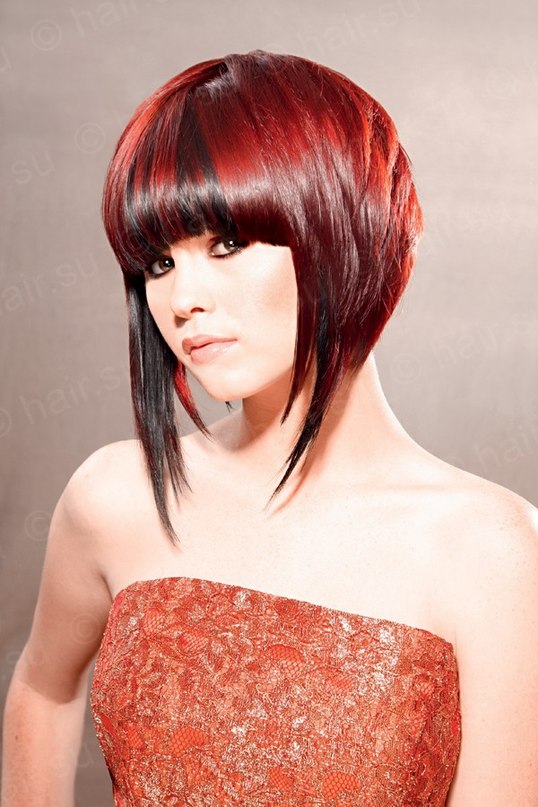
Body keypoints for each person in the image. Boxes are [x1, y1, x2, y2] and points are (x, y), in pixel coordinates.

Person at [2, 49, 537, 807]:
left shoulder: (490, 549)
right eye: (158, 263)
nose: (182, 299)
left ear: (346, 230)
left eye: (226, 245)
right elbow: (42, 688)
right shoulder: (115, 496)